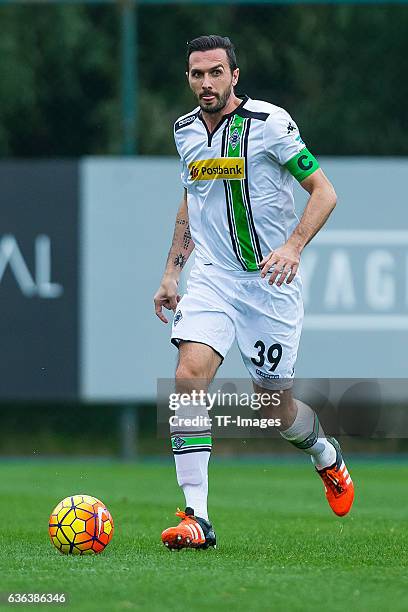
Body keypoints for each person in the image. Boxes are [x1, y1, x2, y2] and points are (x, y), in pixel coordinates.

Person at [154, 35, 354, 550]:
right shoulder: (184, 133)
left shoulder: (270, 124)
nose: (206, 83)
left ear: (234, 76)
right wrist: (171, 274)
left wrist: (293, 246)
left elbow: (324, 192)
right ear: (188, 79)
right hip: (214, 278)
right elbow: (190, 204)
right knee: (187, 375)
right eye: (197, 74)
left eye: (215, 73)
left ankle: (325, 456)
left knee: (274, 410)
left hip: (269, 286)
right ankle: (196, 516)